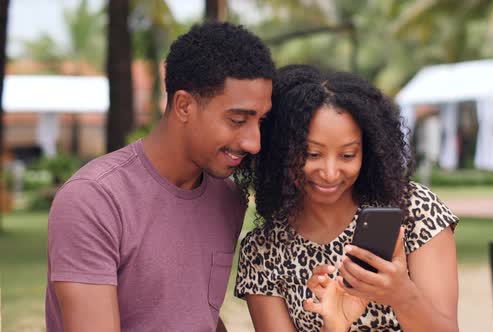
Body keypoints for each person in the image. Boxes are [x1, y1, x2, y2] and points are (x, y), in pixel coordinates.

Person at [45, 22, 275, 332]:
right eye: (237, 120)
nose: (254, 142)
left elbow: (193, 314)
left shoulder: (227, 198)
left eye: (260, 121)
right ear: (184, 105)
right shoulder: (94, 199)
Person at [234, 65, 459, 331]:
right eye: (312, 154)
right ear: (280, 151)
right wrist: (335, 324)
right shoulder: (264, 251)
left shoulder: (415, 211)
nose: (330, 173)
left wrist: (401, 294)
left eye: (348, 155)